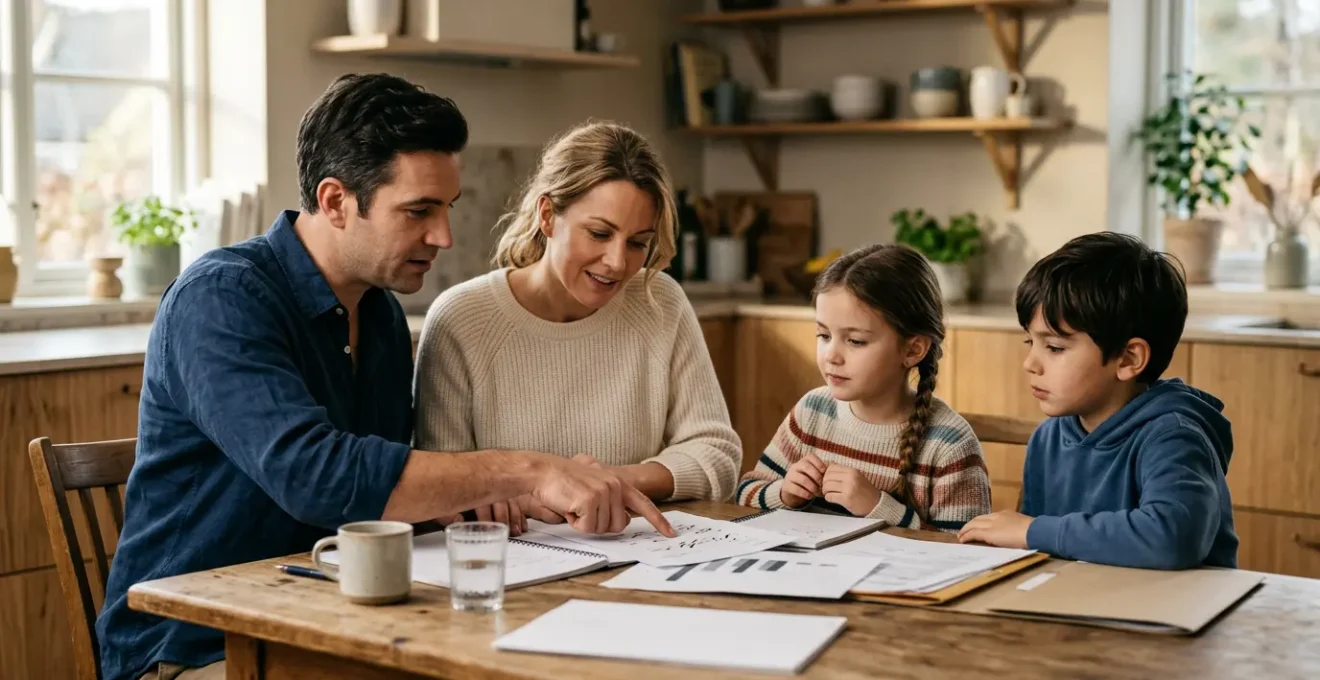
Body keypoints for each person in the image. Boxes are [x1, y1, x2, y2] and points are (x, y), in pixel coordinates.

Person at [96, 74, 673, 680]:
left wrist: (488, 500)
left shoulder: (379, 317)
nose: (444, 237)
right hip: (193, 648)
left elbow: (387, 494)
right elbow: (317, 476)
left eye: (446, 209)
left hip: (330, 623)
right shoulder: (221, 299)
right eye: (419, 211)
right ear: (336, 200)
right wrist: (531, 468)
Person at [412, 120, 741, 530]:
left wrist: (598, 485)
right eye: (599, 234)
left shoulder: (661, 304)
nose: (618, 262)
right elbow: (445, 485)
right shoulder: (461, 320)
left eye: (638, 242)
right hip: (514, 569)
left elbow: (717, 453)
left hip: (638, 559)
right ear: (548, 215)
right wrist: (536, 487)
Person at [958, 232, 1238, 570]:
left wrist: (1033, 530)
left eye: (1055, 347)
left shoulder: (1173, 436)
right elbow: (1042, 554)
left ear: (1128, 359)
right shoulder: (1048, 439)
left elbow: (1172, 537)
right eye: (1029, 342)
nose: (1030, 363)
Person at [736, 244, 991, 531]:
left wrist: (878, 507)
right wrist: (783, 493)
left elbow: (967, 552)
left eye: (855, 341)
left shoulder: (949, 445)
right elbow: (745, 493)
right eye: (823, 335)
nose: (831, 355)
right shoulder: (811, 412)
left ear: (913, 349)